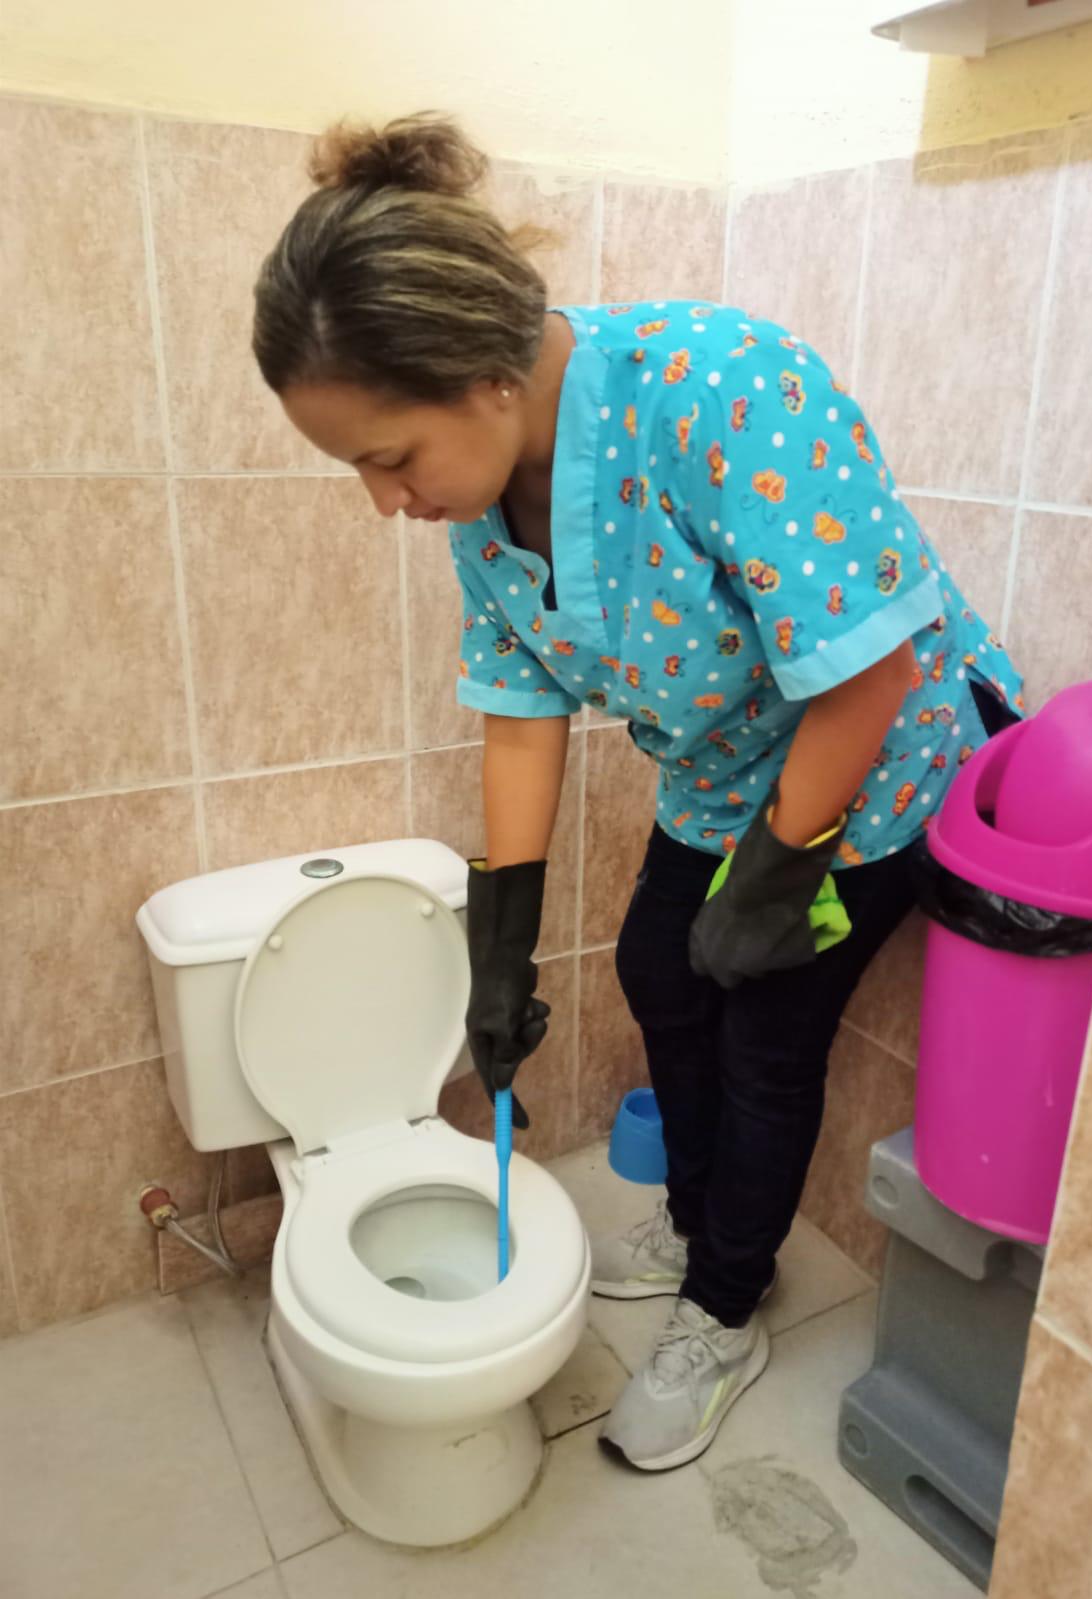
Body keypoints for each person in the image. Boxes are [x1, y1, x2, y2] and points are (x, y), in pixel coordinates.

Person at [252, 110, 1025, 1474]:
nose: (384, 501)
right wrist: (500, 944)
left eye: (390, 457)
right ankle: (694, 1212)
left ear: (484, 377)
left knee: (765, 1039)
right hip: (721, 776)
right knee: (660, 970)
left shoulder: (722, 387)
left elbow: (871, 670)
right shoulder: (484, 497)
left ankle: (725, 1307)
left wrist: (777, 883)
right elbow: (519, 711)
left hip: (875, 768)